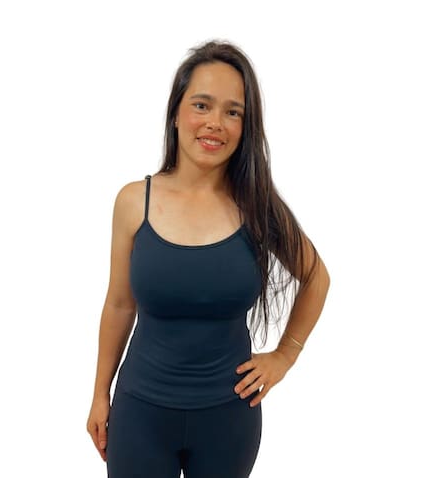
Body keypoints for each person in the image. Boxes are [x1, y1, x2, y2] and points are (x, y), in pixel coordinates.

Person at [86, 39, 330, 478]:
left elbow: (316, 277)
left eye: (233, 112)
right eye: (202, 105)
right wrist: (99, 394)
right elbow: (119, 304)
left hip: (228, 419)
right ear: (176, 113)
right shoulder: (133, 202)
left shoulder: (258, 206)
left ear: (245, 126)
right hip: (140, 414)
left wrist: (284, 356)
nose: (215, 123)